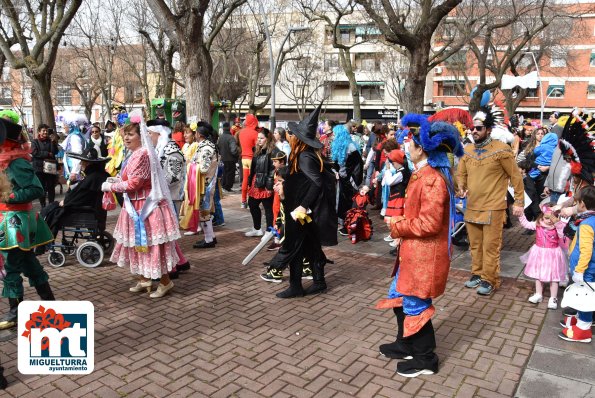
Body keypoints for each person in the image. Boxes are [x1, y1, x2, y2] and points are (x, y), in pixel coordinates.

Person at [377, 116, 463, 378]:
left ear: (422, 149)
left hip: (424, 255)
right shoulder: (422, 174)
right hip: (414, 253)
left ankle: (426, 358)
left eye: (410, 143)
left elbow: (429, 224)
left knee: (416, 307)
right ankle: (405, 344)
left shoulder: (432, 179)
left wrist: (398, 224)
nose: (405, 146)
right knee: (399, 300)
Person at [101, 115, 181, 298]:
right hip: (135, 205)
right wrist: (117, 180)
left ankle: (165, 282)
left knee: (152, 245)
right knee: (140, 243)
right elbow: (130, 180)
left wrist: (110, 186)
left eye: (130, 134)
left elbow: (134, 184)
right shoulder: (134, 154)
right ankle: (145, 279)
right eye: (125, 135)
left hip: (146, 207)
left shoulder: (143, 154)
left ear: (140, 135)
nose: (126, 138)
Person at [457, 106, 524, 296]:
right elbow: (461, 173)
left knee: (490, 247)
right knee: (475, 245)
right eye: (472, 128)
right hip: (472, 206)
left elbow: (515, 176)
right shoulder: (467, 150)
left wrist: (518, 201)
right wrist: (461, 186)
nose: (474, 131)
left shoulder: (501, 150)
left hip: (493, 207)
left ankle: (490, 279)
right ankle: (477, 274)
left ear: (487, 129)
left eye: (478, 128)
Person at [275, 103, 337, 298]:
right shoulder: (305, 155)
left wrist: (303, 206)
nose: (290, 137)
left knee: (296, 246)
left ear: (300, 139)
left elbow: (316, 182)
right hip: (305, 209)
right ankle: (319, 282)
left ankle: (296, 286)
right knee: (310, 245)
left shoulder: (304, 156)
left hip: (304, 211)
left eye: (293, 135)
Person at [0, 118, 55, 331]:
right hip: (7, 220)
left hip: (15, 223)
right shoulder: (4, 159)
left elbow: (36, 189)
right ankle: (50, 303)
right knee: (29, 264)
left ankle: (15, 312)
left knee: (11, 267)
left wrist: (8, 196)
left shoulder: (17, 162)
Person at [42, 147, 110, 236]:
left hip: (84, 209)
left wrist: (66, 202)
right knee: (51, 207)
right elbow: (82, 188)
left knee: (51, 210)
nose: (81, 164)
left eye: (82, 162)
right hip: (91, 207)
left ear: (88, 163)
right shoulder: (97, 175)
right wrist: (75, 180)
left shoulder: (93, 177)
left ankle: (45, 240)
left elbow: (79, 196)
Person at [559, 185, 595, 343]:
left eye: (577, 202)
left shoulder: (587, 223)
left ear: (582, 204)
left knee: (585, 297)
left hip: (586, 270)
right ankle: (582, 320)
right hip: (589, 268)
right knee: (585, 296)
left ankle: (583, 330)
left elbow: (586, 250)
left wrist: (580, 270)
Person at [518, 205, 568, 309]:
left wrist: (557, 223)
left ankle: (553, 298)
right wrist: (520, 214)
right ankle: (538, 294)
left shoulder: (558, 227)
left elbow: (561, 234)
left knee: (554, 277)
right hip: (539, 253)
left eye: (552, 218)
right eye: (546, 218)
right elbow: (525, 223)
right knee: (538, 274)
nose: (549, 221)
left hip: (553, 254)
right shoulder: (538, 224)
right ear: (542, 216)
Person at [186, 125, 219, 249]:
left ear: (199, 134)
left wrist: (191, 164)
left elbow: (203, 168)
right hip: (206, 183)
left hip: (204, 183)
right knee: (206, 211)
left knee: (204, 211)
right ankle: (210, 237)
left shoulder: (206, 148)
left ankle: (208, 239)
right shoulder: (208, 146)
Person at [331, 124, 363, 234]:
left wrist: (352, 179)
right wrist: (336, 172)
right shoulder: (338, 146)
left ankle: (349, 226)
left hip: (349, 181)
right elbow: (336, 164)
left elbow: (358, 165)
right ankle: (345, 225)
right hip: (342, 179)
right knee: (341, 202)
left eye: (335, 134)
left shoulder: (350, 147)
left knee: (348, 202)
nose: (333, 136)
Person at [245, 128, 276, 237]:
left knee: (268, 208)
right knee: (252, 204)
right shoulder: (257, 150)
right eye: (258, 138)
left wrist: (269, 186)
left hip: (266, 183)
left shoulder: (273, 151)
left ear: (268, 139)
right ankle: (257, 228)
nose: (259, 140)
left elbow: (273, 169)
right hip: (256, 181)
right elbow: (253, 169)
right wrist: (250, 181)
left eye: (261, 138)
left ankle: (269, 231)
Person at [31, 123, 59, 208]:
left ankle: (51, 204)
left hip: (50, 167)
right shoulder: (34, 142)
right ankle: (43, 205)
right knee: (41, 187)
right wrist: (47, 153)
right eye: (43, 130)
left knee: (51, 187)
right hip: (39, 168)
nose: (45, 132)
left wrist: (54, 143)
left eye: (46, 130)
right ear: (39, 132)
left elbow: (55, 152)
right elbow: (34, 152)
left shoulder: (50, 141)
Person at [61, 114, 88, 186]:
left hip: (75, 171)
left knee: (75, 192)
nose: (63, 126)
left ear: (70, 126)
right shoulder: (74, 136)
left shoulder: (74, 137)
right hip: (73, 170)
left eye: (65, 124)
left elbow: (78, 154)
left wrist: (74, 172)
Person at [239, 114, 259, 208]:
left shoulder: (241, 132)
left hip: (244, 158)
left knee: (245, 179)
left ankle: (243, 201)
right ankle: (252, 199)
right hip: (252, 158)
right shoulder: (255, 133)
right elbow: (258, 147)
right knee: (252, 180)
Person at [217, 122, 240, 192]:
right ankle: (227, 187)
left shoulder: (220, 138)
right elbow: (233, 150)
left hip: (222, 158)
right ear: (229, 128)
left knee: (224, 173)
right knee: (230, 174)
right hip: (230, 159)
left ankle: (223, 186)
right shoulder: (231, 138)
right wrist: (237, 154)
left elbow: (218, 148)